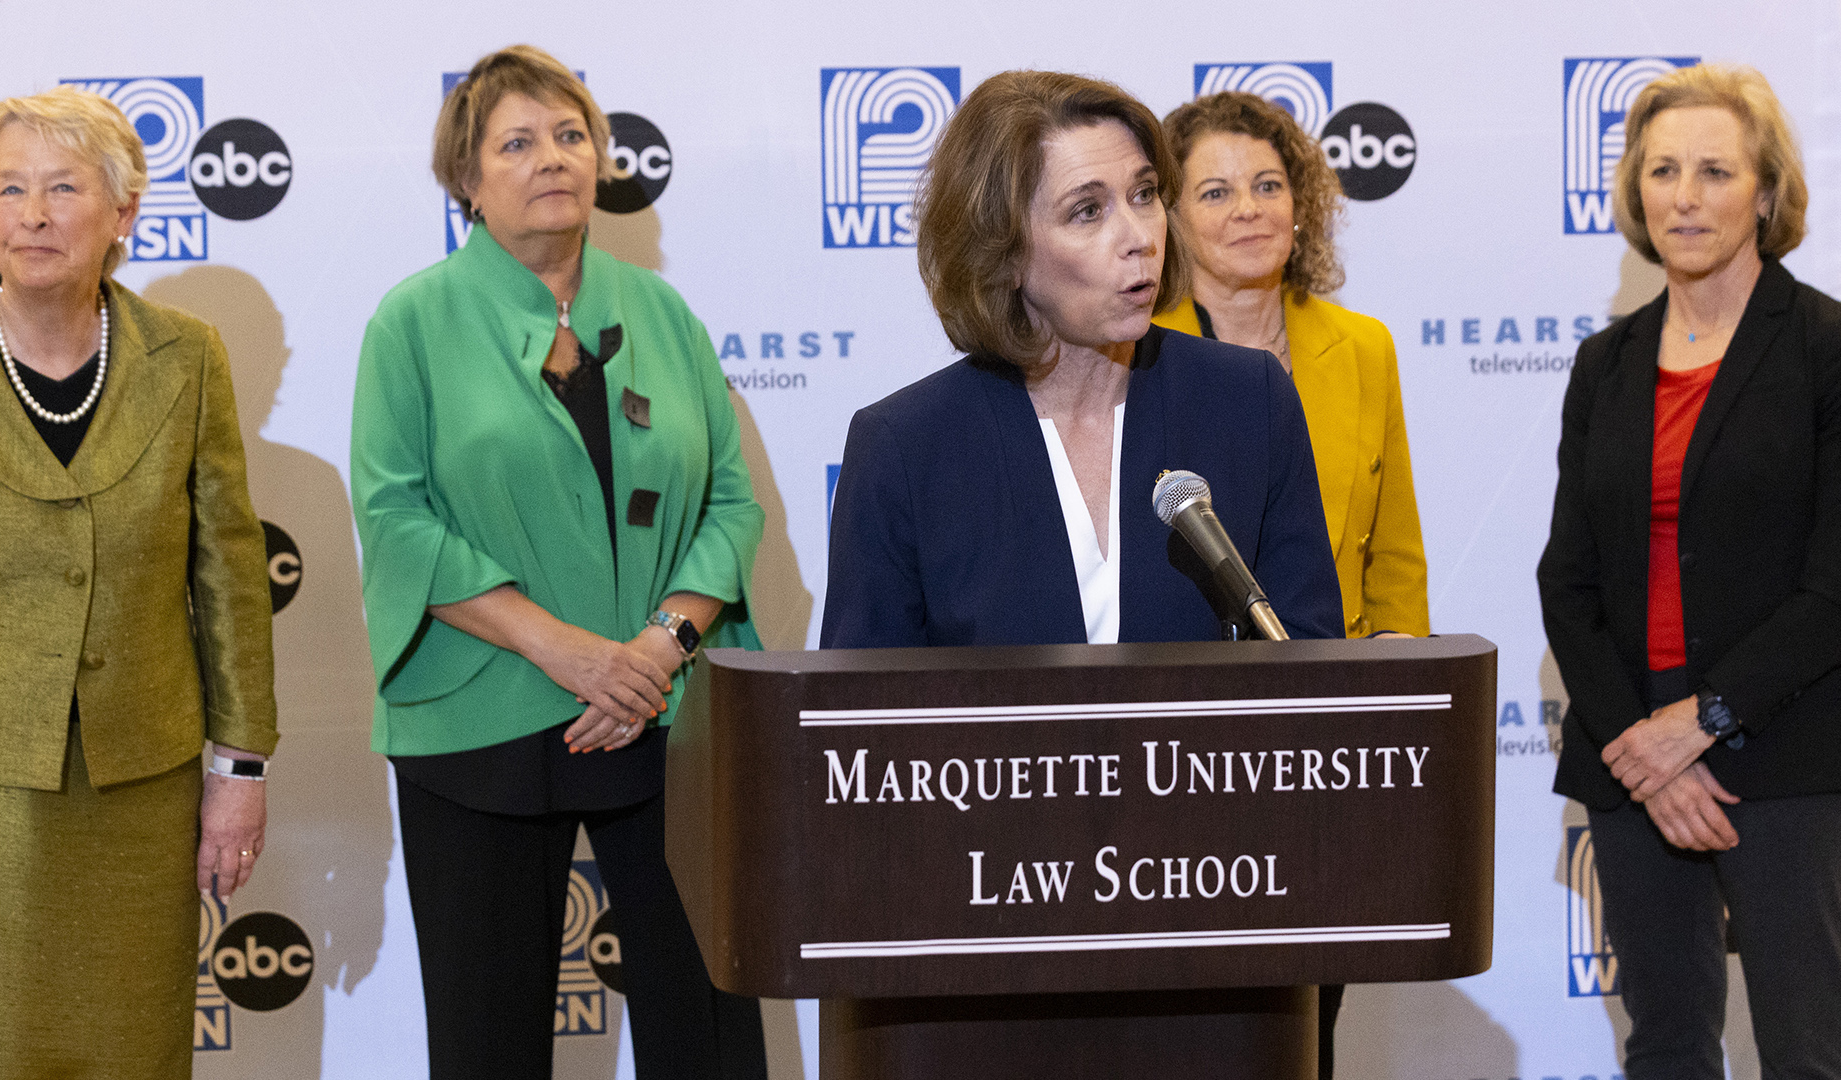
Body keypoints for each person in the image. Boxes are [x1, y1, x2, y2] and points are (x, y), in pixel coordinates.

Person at [350, 45, 767, 1080]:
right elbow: (398, 519)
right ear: (467, 178)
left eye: (571, 135)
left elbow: (729, 504)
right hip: (479, 720)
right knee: (487, 1041)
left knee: (709, 1033)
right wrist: (573, 655)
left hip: (665, 718)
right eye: (519, 142)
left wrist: (658, 650)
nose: (553, 159)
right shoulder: (413, 321)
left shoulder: (661, 310)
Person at [0, 87, 277, 1079]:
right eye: (10, 188)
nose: (33, 215)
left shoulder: (188, 357)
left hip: (141, 787)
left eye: (63, 187)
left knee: (131, 1051)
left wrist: (238, 770)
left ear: (124, 213)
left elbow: (230, 572)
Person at [1538, 63, 1841, 1079]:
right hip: (1633, 765)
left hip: (1790, 758)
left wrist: (1702, 722)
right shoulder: (1606, 364)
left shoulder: (1827, 348)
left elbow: (1834, 587)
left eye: (1716, 169)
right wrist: (1639, 742)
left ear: (1765, 191)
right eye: (1662, 169)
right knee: (1665, 1049)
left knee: (1810, 1051)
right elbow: (1566, 580)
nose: (1685, 194)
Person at [820, 68, 1341, 652]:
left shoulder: (1248, 402)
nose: (1140, 235)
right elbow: (857, 722)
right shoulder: (906, 448)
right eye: (1087, 211)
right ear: (1005, 251)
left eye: (1144, 195)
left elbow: (1311, 668)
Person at [1153, 89, 1432, 1076]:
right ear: (1172, 218)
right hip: (1174, 734)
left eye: (1269, 184)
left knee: (1309, 1001)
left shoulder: (1364, 348)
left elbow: (1392, 543)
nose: (1249, 208)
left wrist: (1400, 667)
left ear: (1304, 202)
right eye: (1216, 190)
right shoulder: (1127, 355)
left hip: (1326, 727)